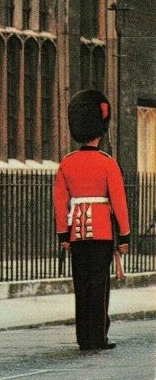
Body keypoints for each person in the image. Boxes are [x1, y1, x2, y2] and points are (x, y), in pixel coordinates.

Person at [54, 90, 131, 351]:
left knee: (82, 286)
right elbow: (119, 203)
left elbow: (60, 202)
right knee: (99, 286)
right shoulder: (107, 163)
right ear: (100, 130)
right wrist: (125, 236)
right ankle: (98, 336)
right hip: (100, 232)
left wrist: (63, 235)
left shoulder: (67, 163)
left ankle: (83, 337)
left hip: (77, 233)